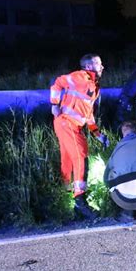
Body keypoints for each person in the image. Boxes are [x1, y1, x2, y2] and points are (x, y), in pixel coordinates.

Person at [50, 53, 110, 220]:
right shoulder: (79, 77)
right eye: (99, 64)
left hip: (70, 125)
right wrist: (54, 104)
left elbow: (88, 115)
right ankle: (80, 202)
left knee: (68, 161)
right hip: (67, 123)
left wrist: (98, 134)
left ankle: (65, 198)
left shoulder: (94, 86)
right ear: (89, 67)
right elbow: (57, 84)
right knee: (81, 158)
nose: (102, 67)